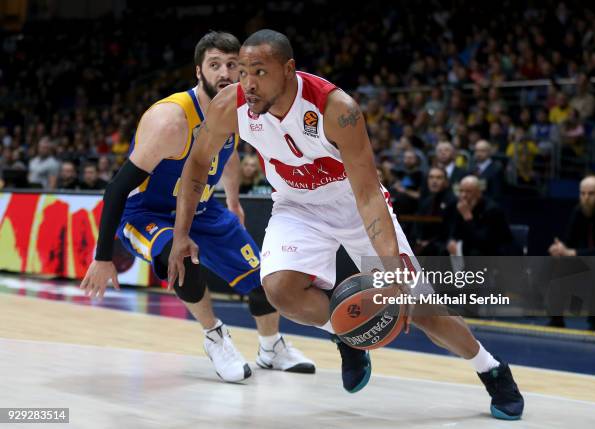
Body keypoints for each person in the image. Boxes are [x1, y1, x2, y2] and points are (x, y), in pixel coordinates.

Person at [169, 29, 524, 420]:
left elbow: (369, 194)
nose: (248, 83)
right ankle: (348, 335)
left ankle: (490, 368)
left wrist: (391, 273)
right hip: (295, 206)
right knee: (280, 290)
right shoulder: (230, 105)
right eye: (243, 72)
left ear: (288, 70)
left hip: (354, 204)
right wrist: (181, 234)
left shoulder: (336, 109)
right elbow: (197, 165)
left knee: (419, 307)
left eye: (259, 71)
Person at [79, 31, 314, 383]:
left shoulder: (237, 110)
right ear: (198, 72)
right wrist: (102, 256)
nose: (224, 73)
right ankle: (215, 335)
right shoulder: (171, 121)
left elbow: (229, 153)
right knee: (182, 259)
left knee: (264, 281)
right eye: (215, 65)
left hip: (203, 209)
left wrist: (232, 201)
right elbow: (115, 190)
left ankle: (271, 347)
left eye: (232, 65)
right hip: (146, 214)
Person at [548, 175, 595, 331]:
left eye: (591, 194)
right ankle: (556, 320)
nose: (586, 198)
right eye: (582, 193)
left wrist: (573, 253)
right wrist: (559, 248)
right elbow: (568, 240)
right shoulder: (578, 211)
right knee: (558, 264)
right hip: (584, 259)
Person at [447, 176, 515, 256]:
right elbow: (454, 231)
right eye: (461, 191)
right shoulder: (461, 206)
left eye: (468, 192)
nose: (463, 195)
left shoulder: (492, 210)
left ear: (479, 193)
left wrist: (468, 218)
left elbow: (483, 242)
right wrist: (452, 240)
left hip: (495, 251)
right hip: (470, 247)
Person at [412, 167, 456, 256]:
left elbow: (449, 230)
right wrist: (418, 240)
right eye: (431, 177)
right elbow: (417, 225)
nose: (434, 181)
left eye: (439, 178)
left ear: (446, 181)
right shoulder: (426, 201)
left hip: (441, 247)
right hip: (423, 245)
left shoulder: (452, 201)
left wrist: (428, 243)